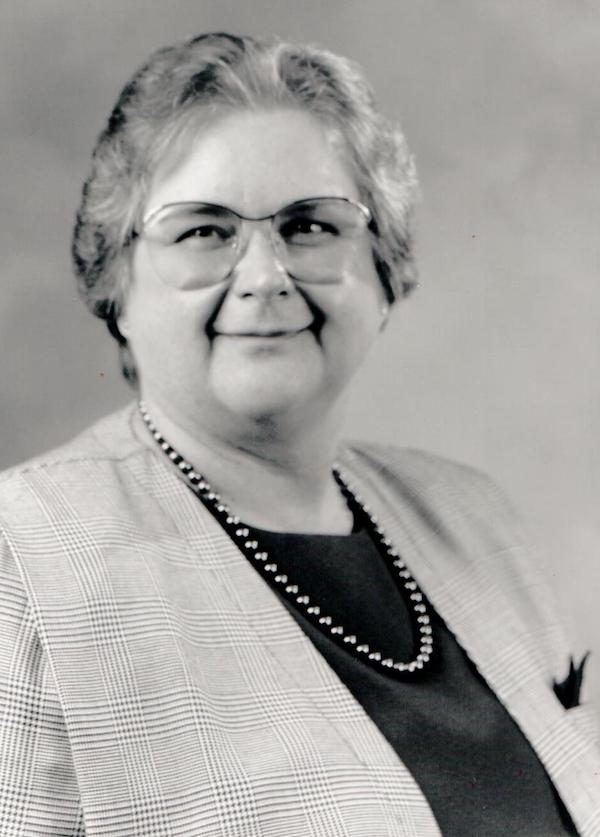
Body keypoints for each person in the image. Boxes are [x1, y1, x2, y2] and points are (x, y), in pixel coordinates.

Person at [0, 32, 598, 837]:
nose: (264, 276)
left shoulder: (476, 518)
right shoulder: (24, 562)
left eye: (311, 225)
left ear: (383, 274)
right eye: (204, 231)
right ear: (117, 281)